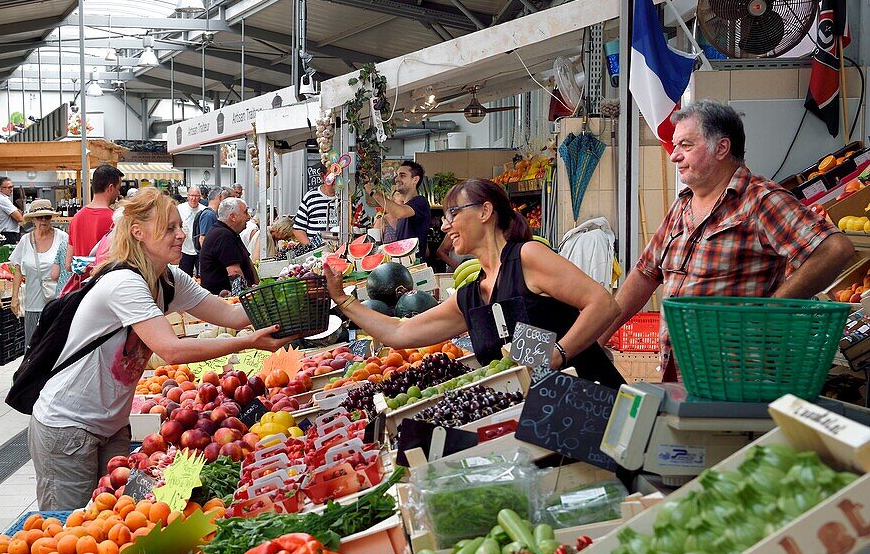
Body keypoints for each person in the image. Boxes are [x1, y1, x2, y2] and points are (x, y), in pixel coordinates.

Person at [28, 188, 290, 510]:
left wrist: (289, 302)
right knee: (69, 531)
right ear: (138, 232)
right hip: (68, 427)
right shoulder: (124, 282)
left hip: (112, 426)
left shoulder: (168, 279)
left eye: (179, 226)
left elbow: (232, 315)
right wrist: (249, 341)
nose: (181, 235)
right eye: (169, 228)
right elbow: (171, 351)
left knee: (118, 519)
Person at [600, 99, 855, 379]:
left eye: (686, 145)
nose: (674, 156)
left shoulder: (760, 200)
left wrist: (770, 310)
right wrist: (599, 335)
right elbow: (645, 274)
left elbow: (836, 249)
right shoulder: (682, 206)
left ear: (721, 148)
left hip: (737, 374)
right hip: (680, 368)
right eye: (676, 146)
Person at [324, 178, 625, 385]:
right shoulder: (470, 297)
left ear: (485, 211)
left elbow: (603, 304)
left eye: (452, 213)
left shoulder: (527, 258)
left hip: (592, 405)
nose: (445, 224)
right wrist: (343, 300)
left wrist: (558, 353)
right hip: (540, 429)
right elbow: (398, 332)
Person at [11, 199, 69, 349]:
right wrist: (14, 298)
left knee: (55, 348)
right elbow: (17, 269)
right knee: (32, 347)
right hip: (32, 304)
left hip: (56, 303)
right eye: (39, 217)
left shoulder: (62, 238)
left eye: (47, 217)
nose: (43, 220)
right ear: (33, 219)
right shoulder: (25, 240)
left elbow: (69, 268)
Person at [363, 161, 430, 261]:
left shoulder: (420, 202)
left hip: (415, 266)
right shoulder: (406, 208)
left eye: (402, 176)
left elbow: (399, 212)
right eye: (397, 175)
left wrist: (373, 192)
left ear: (415, 179)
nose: (397, 179)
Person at [64, 164, 121, 279]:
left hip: (81, 289)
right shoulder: (116, 220)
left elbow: (68, 265)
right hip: (104, 285)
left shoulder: (76, 218)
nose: (118, 194)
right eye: (118, 189)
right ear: (110, 188)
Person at [199, 197, 259, 296]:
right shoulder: (223, 235)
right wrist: (244, 297)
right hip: (223, 301)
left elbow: (247, 262)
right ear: (233, 217)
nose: (248, 217)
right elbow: (234, 272)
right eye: (245, 213)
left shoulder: (230, 233)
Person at [292, 177, 337, 245]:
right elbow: (298, 229)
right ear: (322, 176)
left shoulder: (347, 198)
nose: (337, 179)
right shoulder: (311, 197)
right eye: (332, 175)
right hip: (317, 252)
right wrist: (311, 247)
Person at [178, 186, 203, 276]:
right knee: (184, 276)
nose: (193, 198)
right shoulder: (180, 208)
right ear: (187, 196)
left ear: (200, 197)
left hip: (199, 249)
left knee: (202, 276)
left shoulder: (204, 210)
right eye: (191, 195)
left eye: (196, 196)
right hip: (184, 248)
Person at [0, 177, 24, 245]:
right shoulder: (3, 200)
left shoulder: (0, 199)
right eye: (8, 187)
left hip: (3, 233)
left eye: (12, 187)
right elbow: (20, 218)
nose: (11, 189)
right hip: (8, 235)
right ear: (1, 189)